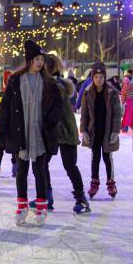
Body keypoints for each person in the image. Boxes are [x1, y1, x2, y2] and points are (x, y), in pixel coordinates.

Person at [0, 41, 62, 225]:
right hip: (21, 131)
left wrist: (51, 121)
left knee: (40, 170)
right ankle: (22, 205)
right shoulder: (16, 80)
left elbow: (58, 105)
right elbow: (6, 106)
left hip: (41, 132)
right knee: (21, 170)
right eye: (36, 59)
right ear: (29, 60)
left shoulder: (49, 82)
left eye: (41, 59)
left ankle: (41, 205)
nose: (40, 62)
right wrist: (1, 127)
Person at [42, 54, 90, 214]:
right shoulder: (52, 84)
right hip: (55, 130)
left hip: (64, 130)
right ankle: (47, 196)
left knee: (69, 165)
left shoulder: (55, 86)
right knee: (43, 163)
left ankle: (81, 198)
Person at [80, 61, 122, 199]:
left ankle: (111, 182)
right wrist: (84, 131)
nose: (99, 79)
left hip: (107, 131)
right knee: (95, 157)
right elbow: (84, 114)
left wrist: (115, 131)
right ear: (92, 78)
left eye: (101, 77)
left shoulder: (112, 93)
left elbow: (117, 114)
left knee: (107, 157)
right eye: (96, 77)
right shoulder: (87, 93)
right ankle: (94, 182)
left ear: (105, 77)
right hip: (94, 131)